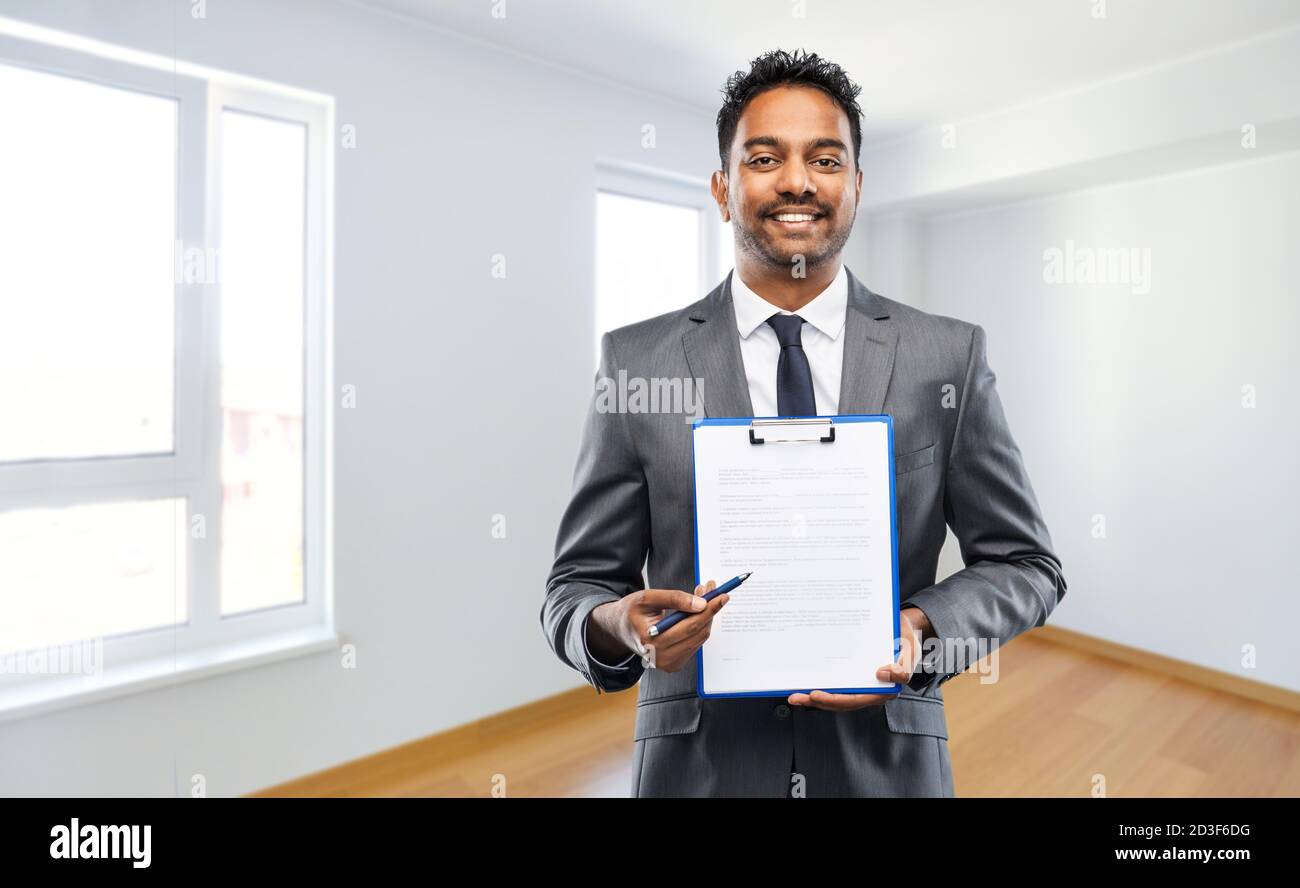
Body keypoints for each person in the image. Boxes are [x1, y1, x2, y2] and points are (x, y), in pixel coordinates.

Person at [541, 48, 1066, 798]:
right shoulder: (636, 361)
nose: (796, 181)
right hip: (698, 770)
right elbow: (574, 587)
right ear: (723, 190)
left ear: (855, 187)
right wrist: (620, 625)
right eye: (764, 157)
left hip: (887, 767)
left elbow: (1028, 567)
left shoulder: (946, 355)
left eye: (825, 159)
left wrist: (923, 630)